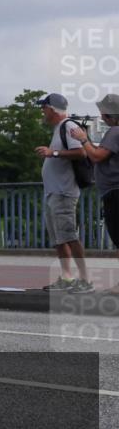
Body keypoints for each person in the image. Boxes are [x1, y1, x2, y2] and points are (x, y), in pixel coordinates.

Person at [35, 93, 93, 293]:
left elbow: (82, 152)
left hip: (64, 192)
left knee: (69, 236)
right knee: (59, 239)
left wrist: (53, 153)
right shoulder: (59, 128)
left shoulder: (68, 126)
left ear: (52, 109)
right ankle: (67, 278)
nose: (42, 111)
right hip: (54, 193)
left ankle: (85, 279)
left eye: (44, 108)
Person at [69, 93, 119, 295]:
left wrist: (83, 139)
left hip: (115, 192)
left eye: (102, 114)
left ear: (109, 115)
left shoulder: (115, 131)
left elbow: (97, 156)